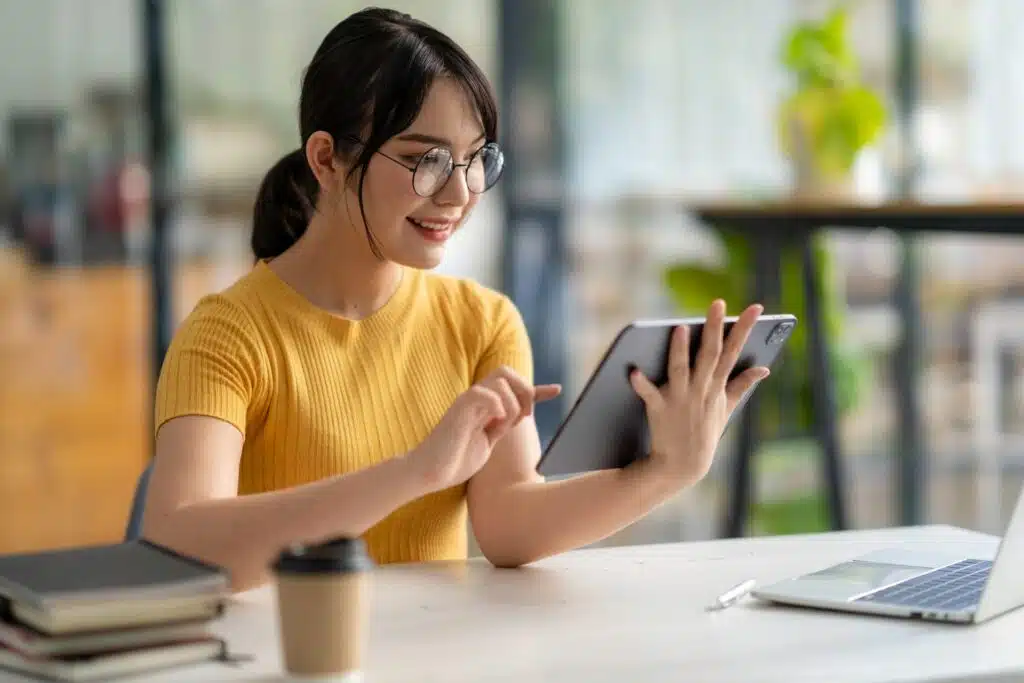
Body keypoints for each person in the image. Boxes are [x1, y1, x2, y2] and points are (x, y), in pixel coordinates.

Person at [141, 7, 769, 593]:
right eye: (426, 160)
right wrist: (415, 471)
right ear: (327, 158)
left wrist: (666, 470)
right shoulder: (228, 334)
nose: (460, 193)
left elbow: (509, 523)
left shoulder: (482, 322)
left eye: (475, 160)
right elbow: (180, 541)